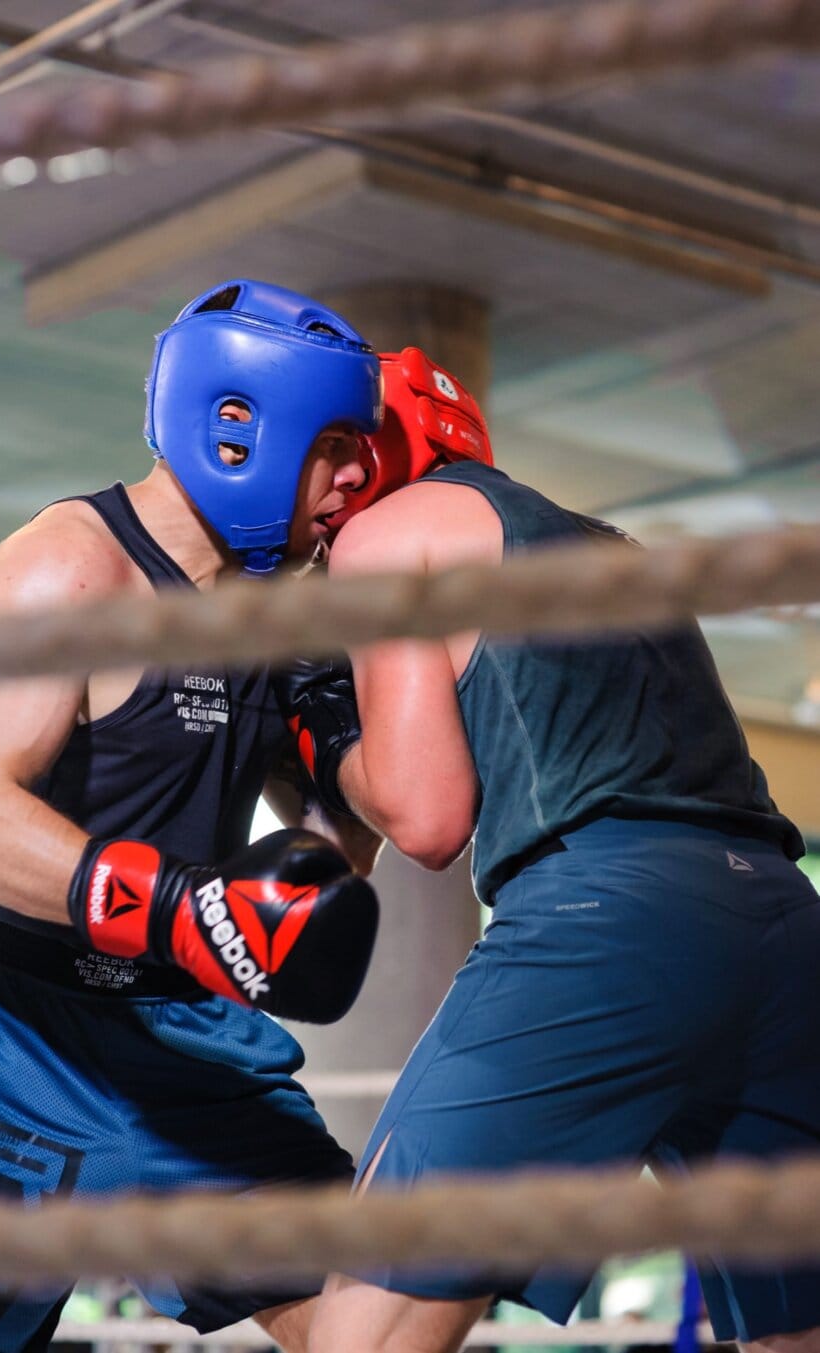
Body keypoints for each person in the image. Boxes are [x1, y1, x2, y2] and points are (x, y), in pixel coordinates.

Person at [302, 347, 820, 1353]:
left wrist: (329, 748)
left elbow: (427, 817)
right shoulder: (613, 547)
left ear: (376, 448)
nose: (328, 490)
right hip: (787, 927)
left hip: (607, 925)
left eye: (337, 451)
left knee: (369, 1327)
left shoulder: (389, 534)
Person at [0, 278, 385, 1353]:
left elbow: (327, 869)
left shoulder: (281, 616)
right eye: (335, 447)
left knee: (376, 1319)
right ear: (240, 428)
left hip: (180, 1044)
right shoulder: (68, 568)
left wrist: (337, 711)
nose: (354, 478)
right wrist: (186, 907)